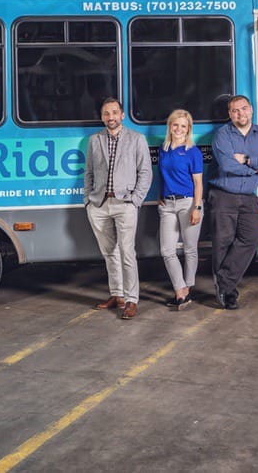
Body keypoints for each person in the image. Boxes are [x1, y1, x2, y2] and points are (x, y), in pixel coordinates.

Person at [84, 97, 152, 320]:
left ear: (122, 115)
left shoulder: (136, 139)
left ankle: (131, 300)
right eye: (106, 113)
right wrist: (88, 200)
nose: (110, 117)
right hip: (99, 205)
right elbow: (89, 173)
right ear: (102, 116)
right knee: (108, 253)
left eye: (114, 113)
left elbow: (145, 172)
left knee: (127, 253)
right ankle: (117, 295)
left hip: (125, 204)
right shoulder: (94, 140)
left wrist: (135, 200)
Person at [209, 95, 258, 310]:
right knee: (223, 242)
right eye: (235, 111)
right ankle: (228, 292)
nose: (241, 114)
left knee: (251, 238)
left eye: (244, 109)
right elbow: (228, 165)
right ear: (230, 114)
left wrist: (247, 159)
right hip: (223, 195)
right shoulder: (222, 134)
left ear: (252, 110)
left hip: (249, 197)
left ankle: (223, 280)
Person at [157, 109, 203, 310]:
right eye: (175, 124)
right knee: (167, 250)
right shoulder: (164, 149)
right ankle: (180, 288)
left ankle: (187, 290)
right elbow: (162, 175)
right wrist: (160, 193)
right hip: (167, 205)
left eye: (183, 125)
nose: (179, 129)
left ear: (188, 129)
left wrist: (197, 207)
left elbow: (198, 183)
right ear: (170, 126)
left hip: (188, 203)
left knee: (190, 249)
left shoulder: (193, 151)